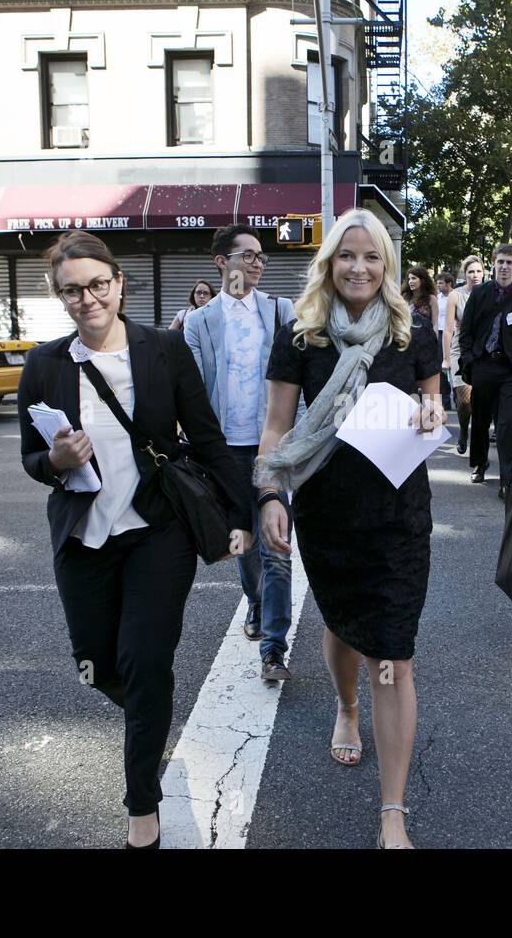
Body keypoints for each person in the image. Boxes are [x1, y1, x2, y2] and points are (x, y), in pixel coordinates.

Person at [17, 231, 252, 848]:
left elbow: (206, 437)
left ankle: (141, 812)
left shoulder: (164, 350)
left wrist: (244, 514)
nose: (87, 298)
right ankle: (152, 718)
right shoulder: (44, 365)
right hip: (84, 537)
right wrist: (57, 459)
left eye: (98, 284)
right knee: (96, 667)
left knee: (146, 665)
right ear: (59, 295)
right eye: (72, 290)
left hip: (157, 531)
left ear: (119, 283)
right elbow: (30, 460)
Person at [253, 208, 443, 849]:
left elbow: (432, 397)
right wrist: (270, 494)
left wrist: (430, 409)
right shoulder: (300, 336)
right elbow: (277, 428)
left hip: (398, 514)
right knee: (341, 627)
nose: (358, 267)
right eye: (346, 257)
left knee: (392, 652)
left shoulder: (409, 331)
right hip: (327, 512)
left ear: (386, 266)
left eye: (371, 257)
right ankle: (346, 706)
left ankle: (393, 810)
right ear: (328, 264)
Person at [183, 224, 296, 681]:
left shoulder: (279, 310)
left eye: (260, 256)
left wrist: (300, 436)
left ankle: (274, 648)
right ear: (221, 263)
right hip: (224, 449)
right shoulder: (199, 321)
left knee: (277, 547)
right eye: (246, 255)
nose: (256, 262)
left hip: (274, 446)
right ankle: (255, 601)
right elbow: (191, 392)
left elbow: (298, 378)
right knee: (245, 542)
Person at [457, 244, 512, 497]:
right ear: (493, 263)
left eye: (509, 263)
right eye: (500, 261)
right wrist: (469, 358)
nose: (504, 267)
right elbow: (466, 330)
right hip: (483, 366)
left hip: (511, 370)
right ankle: (480, 463)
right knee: (480, 421)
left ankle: (505, 478)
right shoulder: (480, 294)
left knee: (505, 425)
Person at [446, 255, 485, 456]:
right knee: (465, 401)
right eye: (471, 271)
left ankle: (479, 446)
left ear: (484, 273)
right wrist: (445, 358)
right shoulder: (456, 295)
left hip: (483, 354)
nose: (475, 275)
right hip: (459, 352)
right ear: (465, 274)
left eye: (478, 271)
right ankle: (463, 433)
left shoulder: (492, 293)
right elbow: (447, 330)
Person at [435, 271, 456, 410]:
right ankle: (446, 400)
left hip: (454, 333)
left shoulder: (456, 296)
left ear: (449, 284)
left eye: (441, 283)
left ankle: (458, 396)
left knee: (454, 364)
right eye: (437, 283)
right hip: (440, 333)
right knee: (441, 365)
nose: (438, 286)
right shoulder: (437, 298)